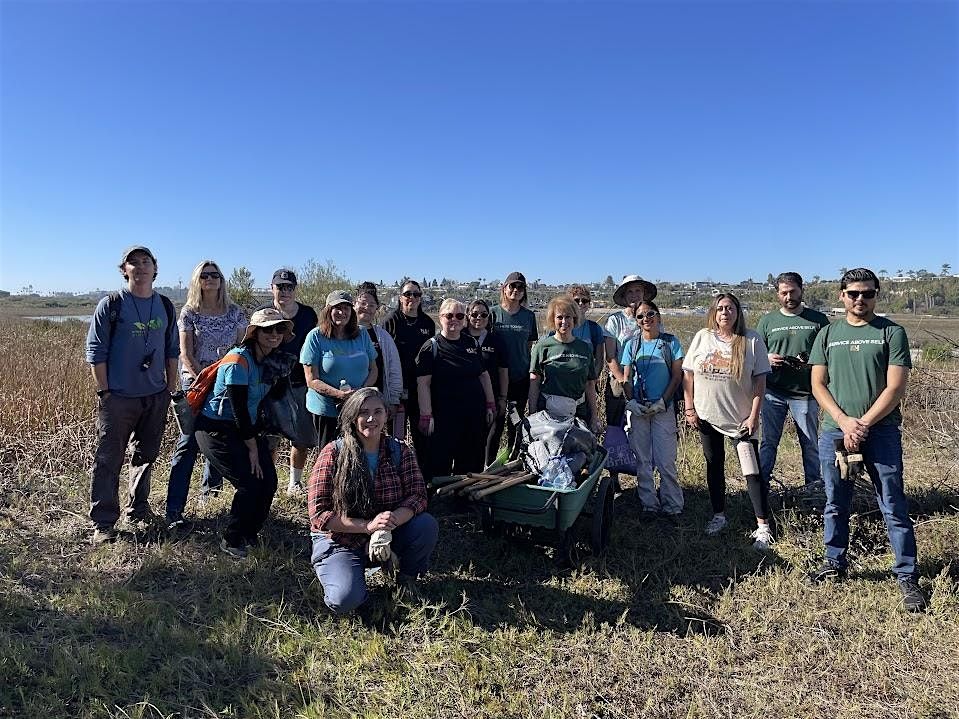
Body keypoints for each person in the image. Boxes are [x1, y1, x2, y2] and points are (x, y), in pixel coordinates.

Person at [808, 268, 926, 612]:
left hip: (881, 431)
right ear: (841, 295)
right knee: (835, 500)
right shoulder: (828, 334)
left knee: (892, 502)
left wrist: (862, 424)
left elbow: (896, 387)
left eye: (868, 293)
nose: (860, 299)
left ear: (876, 295)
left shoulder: (891, 332)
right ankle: (834, 562)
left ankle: (906, 575)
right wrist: (844, 421)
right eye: (853, 293)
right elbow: (818, 384)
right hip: (835, 430)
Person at [308, 388, 438, 613]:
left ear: (386, 415)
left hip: (389, 533)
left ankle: (406, 580)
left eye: (377, 411)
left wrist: (389, 522)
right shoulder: (333, 452)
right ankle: (348, 576)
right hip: (341, 539)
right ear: (352, 417)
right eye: (363, 412)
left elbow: (418, 496)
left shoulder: (399, 450)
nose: (371, 419)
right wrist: (368, 527)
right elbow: (319, 514)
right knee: (344, 600)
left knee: (426, 525)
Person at [85, 246, 179, 544]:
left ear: (155, 268)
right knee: (108, 459)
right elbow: (95, 352)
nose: (140, 267)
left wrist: (169, 388)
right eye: (133, 262)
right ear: (124, 270)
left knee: (146, 456)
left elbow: (172, 350)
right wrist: (105, 392)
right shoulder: (111, 305)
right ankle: (103, 522)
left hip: (155, 395)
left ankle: (137, 509)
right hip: (119, 398)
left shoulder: (164, 305)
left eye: (145, 261)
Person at [194, 308, 293, 558]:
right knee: (249, 483)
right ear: (255, 333)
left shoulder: (270, 361)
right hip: (216, 429)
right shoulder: (238, 360)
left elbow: (272, 400)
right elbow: (238, 408)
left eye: (279, 329)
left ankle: (251, 532)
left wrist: (281, 376)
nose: (274, 334)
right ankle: (232, 538)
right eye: (268, 329)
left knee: (268, 482)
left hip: (246, 427)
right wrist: (252, 449)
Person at [682, 293, 774, 549]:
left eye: (730, 308)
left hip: (740, 420)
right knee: (714, 465)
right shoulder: (703, 337)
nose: (725, 313)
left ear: (738, 312)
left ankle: (763, 526)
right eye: (721, 308)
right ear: (714, 312)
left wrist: (754, 415)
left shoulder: (751, 340)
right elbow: (688, 375)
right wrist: (689, 408)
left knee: (751, 471)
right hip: (707, 415)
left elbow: (760, 381)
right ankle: (719, 515)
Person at [165, 260, 248, 525]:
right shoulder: (190, 313)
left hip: (225, 385)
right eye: (204, 275)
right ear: (197, 281)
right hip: (196, 385)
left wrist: (225, 379)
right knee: (188, 443)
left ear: (221, 280)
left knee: (218, 438)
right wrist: (205, 377)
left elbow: (241, 347)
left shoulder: (234, 313)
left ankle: (210, 495)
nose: (210, 279)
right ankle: (174, 510)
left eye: (214, 275)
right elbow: (185, 354)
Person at [756, 272, 830, 490]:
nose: (788, 297)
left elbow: (828, 354)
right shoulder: (768, 321)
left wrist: (809, 360)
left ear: (801, 290)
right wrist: (767, 358)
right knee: (768, 442)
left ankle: (813, 487)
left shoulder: (818, 320)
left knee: (810, 443)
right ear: (777, 294)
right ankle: (761, 487)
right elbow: (755, 353)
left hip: (806, 392)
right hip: (773, 392)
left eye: (792, 291)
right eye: (784, 293)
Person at [416, 298, 496, 479]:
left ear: (465, 319)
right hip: (444, 419)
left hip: (473, 416)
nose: (454, 320)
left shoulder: (472, 343)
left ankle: (466, 496)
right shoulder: (431, 347)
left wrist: (490, 404)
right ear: (440, 318)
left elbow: (483, 375)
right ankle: (439, 496)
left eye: (459, 316)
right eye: (449, 316)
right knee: (439, 465)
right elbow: (423, 383)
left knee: (471, 465)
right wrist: (426, 415)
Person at [621, 300, 684, 518]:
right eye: (640, 316)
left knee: (666, 460)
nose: (646, 319)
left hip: (663, 409)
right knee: (643, 460)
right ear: (636, 321)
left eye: (650, 314)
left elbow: (677, 376)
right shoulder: (631, 345)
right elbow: (626, 377)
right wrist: (631, 401)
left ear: (658, 315)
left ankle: (672, 505)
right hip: (639, 408)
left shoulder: (670, 342)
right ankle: (649, 504)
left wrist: (663, 402)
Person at [259, 268, 319, 495]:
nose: (284, 291)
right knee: (269, 439)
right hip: (269, 385)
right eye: (280, 287)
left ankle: (294, 483)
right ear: (271, 288)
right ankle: (268, 483)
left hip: (300, 383)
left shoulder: (307, 315)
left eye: (289, 287)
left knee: (301, 438)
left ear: (295, 289)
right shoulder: (263, 313)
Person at [301, 290, 378, 451]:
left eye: (346, 308)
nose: (342, 313)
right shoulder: (315, 337)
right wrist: (339, 395)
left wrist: (360, 394)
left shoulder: (362, 334)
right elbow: (311, 379)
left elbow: (373, 369)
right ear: (328, 310)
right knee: (330, 455)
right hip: (327, 411)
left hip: (358, 408)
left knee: (358, 453)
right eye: (337, 308)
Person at [381, 280, 436, 468]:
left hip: (421, 390)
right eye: (407, 294)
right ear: (400, 297)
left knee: (423, 438)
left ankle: (423, 475)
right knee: (395, 439)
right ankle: (395, 473)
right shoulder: (390, 321)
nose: (412, 298)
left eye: (416, 294)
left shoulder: (428, 323)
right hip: (395, 390)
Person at [527, 295, 601, 433]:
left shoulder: (584, 348)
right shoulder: (542, 347)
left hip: (578, 412)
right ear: (552, 319)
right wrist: (532, 415)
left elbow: (590, 384)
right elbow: (534, 382)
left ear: (574, 319)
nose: (564, 321)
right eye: (559, 317)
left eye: (568, 317)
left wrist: (594, 417)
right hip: (549, 413)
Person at [491, 271, 538, 453]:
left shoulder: (529, 317)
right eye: (512, 286)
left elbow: (529, 346)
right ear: (504, 288)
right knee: (495, 425)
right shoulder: (493, 314)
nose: (516, 290)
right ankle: (489, 462)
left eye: (520, 287)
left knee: (515, 423)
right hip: (496, 380)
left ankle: (513, 459)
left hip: (520, 379)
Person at [465, 299, 510, 465]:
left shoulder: (496, 340)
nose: (479, 317)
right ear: (467, 315)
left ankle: (488, 471)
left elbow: (503, 371)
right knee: (469, 442)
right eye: (474, 314)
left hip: (493, 398)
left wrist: (503, 398)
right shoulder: (460, 337)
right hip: (466, 399)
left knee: (491, 441)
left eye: (484, 314)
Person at [354, 282, 403, 417]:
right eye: (363, 303)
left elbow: (394, 369)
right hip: (349, 400)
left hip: (376, 404)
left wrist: (394, 400)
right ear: (354, 304)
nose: (367, 308)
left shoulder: (383, 337)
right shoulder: (343, 334)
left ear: (377, 308)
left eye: (371, 305)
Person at [565, 284, 606, 374]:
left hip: (587, 378)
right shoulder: (562, 326)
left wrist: (592, 379)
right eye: (576, 300)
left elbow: (599, 361)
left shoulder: (594, 328)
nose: (580, 303)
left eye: (584, 301)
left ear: (588, 303)